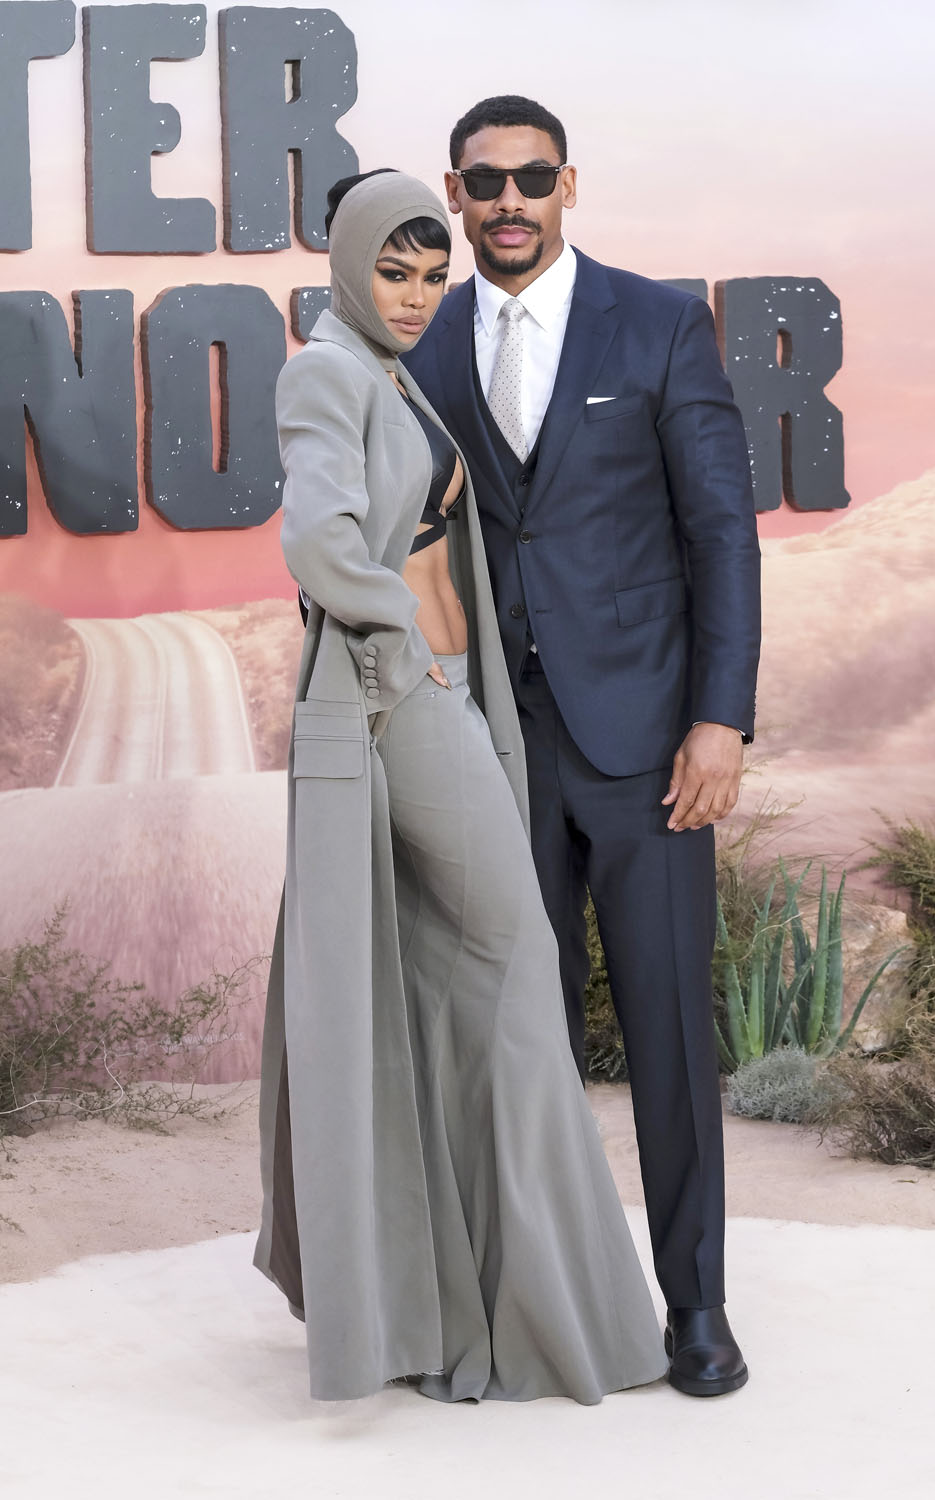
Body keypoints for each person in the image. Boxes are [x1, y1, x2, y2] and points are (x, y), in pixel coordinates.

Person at [253, 169, 667, 1405]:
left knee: (451, 986)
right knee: (512, 968)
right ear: (347, 264)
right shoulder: (325, 374)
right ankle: (533, 1314)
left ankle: (463, 1310)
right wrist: (414, 659)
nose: (416, 295)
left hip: (449, 700)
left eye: (432, 277)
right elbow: (319, 541)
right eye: (393, 271)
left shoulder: (386, 374)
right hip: (406, 704)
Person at [403, 97, 762, 1398]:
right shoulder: (422, 339)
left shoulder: (655, 322)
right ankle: (539, 1300)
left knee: (666, 1034)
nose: (508, 199)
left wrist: (718, 718)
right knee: (518, 1035)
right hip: (491, 750)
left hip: (646, 746)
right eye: (485, 180)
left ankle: (695, 1307)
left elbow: (718, 531)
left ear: (568, 185)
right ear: (455, 192)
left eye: (531, 177)